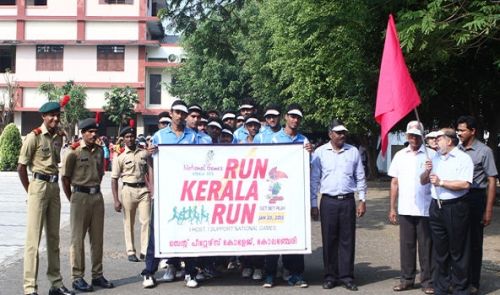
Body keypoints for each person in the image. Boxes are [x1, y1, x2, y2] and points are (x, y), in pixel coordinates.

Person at [141, 100, 200, 289]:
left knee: (188, 231)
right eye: (177, 112)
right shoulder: (159, 136)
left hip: (186, 192)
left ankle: (190, 271)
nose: (180, 116)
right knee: (156, 232)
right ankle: (149, 272)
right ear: (171, 114)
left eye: (184, 113)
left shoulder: (193, 136)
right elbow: (150, 162)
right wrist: (152, 188)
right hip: (165, 192)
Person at [17, 101, 74, 295]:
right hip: (38, 186)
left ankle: (56, 283)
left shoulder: (58, 137)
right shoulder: (33, 137)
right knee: (33, 240)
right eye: (51, 115)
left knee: (53, 238)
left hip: (53, 187)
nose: (55, 119)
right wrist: (30, 190)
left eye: (57, 115)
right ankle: (30, 287)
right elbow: (21, 167)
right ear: (43, 116)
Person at [310, 119, 366, 292]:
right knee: (329, 240)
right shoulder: (319, 153)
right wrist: (314, 204)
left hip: (348, 201)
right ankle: (330, 276)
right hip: (328, 201)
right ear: (330, 134)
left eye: (344, 132)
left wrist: (362, 200)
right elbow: (314, 180)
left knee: (347, 240)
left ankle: (347, 276)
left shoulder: (353, 151)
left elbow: (360, 176)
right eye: (338, 132)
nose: (342, 135)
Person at [263, 104, 313, 288]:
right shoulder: (274, 139)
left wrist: (310, 151)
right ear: (286, 117)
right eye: (292, 116)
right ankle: (269, 274)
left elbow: (310, 166)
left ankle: (296, 273)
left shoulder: (304, 140)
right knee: (273, 235)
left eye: (298, 117)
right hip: (275, 194)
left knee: (295, 234)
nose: (295, 120)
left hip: (296, 195)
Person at [61, 118, 114, 292]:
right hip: (80, 197)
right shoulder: (73, 152)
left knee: (97, 239)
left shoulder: (99, 151)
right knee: (77, 240)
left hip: (96, 197)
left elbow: (100, 173)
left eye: (95, 131)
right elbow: (65, 178)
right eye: (90, 132)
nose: (93, 134)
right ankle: (77, 277)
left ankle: (97, 275)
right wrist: (73, 198)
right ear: (83, 133)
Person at [420, 128, 473, 295]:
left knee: (458, 250)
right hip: (436, 207)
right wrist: (427, 171)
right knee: (439, 250)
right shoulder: (434, 158)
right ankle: (441, 287)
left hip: (455, 207)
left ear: (449, 141)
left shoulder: (463, 158)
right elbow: (423, 182)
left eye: (439, 138)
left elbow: (465, 184)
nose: (435, 141)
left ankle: (460, 288)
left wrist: (442, 182)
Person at [388, 121, 435, 294]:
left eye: (417, 135)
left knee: (426, 246)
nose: (414, 138)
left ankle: (428, 281)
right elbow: (394, 182)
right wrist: (392, 207)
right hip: (405, 207)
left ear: (422, 135)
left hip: (425, 208)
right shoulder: (400, 155)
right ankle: (406, 279)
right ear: (407, 136)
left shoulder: (431, 155)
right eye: (411, 135)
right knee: (406, 246)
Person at [456, 116, 498, 295]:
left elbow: (491, 180)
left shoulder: (484, 151)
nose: (459, 133)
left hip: (475, 198)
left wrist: (488, 210)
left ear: (473, 131)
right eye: (457, 130)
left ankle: (474, 282)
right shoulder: (455, 150)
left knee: (474, 242)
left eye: (462, 130)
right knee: (458, 242)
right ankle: (459, 280)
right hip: (457, 199)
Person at [111, 126, 151, 263]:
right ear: (123, 139)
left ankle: (145, 250)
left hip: (143, 190)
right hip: (128, 190)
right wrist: (116, 199)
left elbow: (149, 170)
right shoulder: (120, 157)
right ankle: (130, 250)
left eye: (132, 136)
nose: (130, 139)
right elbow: (114, 179)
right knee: (129, 222)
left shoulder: (144, 153)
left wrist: (151, 187)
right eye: (127, 137)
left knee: (146, 221)